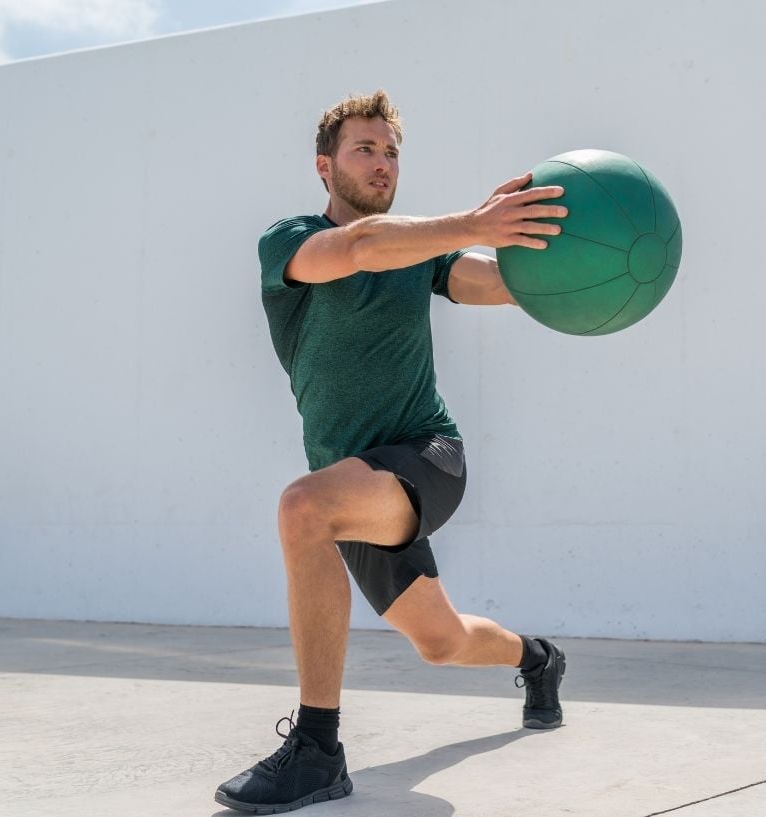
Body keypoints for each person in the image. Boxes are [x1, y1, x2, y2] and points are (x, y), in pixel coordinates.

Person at [214, 90, 569, 813]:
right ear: (325, 166)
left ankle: (317, 748)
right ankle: (539, 658)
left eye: (392, 152)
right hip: (358, 485)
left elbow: (500, 284)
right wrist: (469, 222)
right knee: (440, 641)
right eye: (365, 149)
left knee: (301, 507)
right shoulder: (288, 242)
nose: (383, 163)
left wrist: (570, 265)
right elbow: (359, 248)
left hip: (427, 455)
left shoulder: (423, 253)